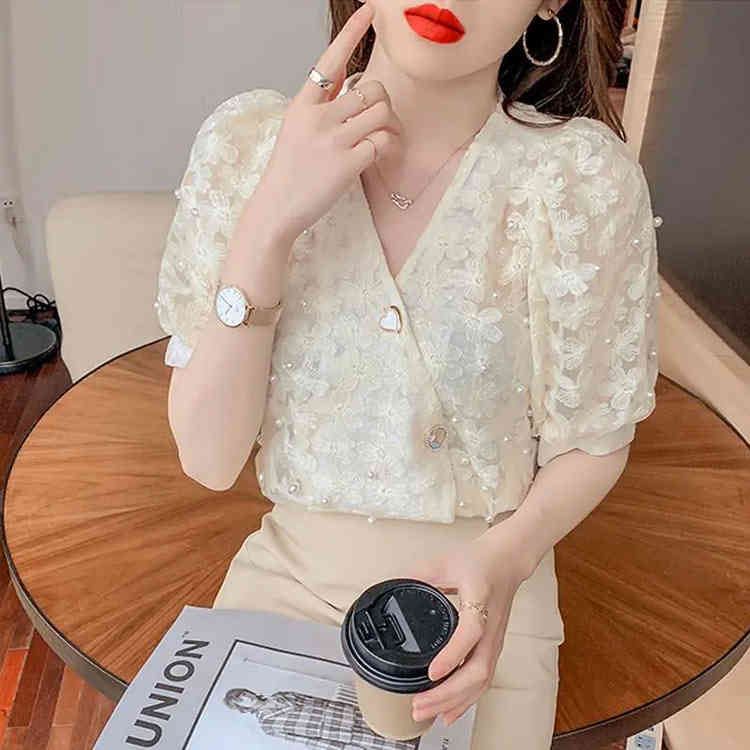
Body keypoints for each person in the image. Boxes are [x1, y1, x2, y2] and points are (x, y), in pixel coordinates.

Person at [154, 1, 660, 748]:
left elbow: (593, 439)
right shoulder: (247, 145)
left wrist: (508, 558)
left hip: (482, 609)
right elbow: (207, 457)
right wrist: (267, 223)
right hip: (282, 590)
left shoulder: (580, 179)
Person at [223, 687, 420, 749]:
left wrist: (350, 707)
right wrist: (334, 747)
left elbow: (317, 701)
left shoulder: (280, 695)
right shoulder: (268, 725)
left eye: (244, 693)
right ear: (242, 707)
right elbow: (305, 740)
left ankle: (421, 737)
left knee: (390, 725)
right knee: (387, 745)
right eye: (241, 699)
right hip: (337, 733)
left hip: (343, 713)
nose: (246, 697)